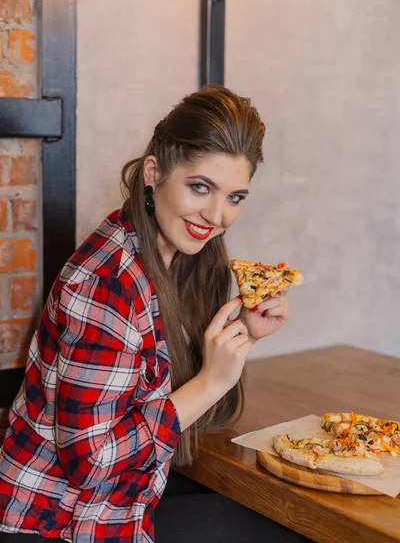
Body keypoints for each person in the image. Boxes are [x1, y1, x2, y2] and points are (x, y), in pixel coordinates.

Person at [0, 85, 300, 543]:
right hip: (58, 524)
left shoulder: (182, 254)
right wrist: (212, 380)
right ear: (154, 172)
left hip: (129, 502)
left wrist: (243, 335)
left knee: (282, 520)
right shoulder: (108, 283)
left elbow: (167, 399)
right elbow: (93, 464)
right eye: (200, 188)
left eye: (235, 197)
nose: (217, 216)